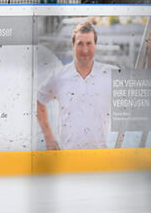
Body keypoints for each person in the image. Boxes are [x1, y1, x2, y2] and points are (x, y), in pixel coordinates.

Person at [36, 21, 115, 150]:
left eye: (89, 43)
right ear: (73, 45)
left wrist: (150, 53)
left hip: (101, 157)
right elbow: (39, 102)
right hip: (68, 158)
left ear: (95, 45)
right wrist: (49, 138)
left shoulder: (109, 74)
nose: (85, 50)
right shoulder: (59, 76)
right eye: (80, 44)